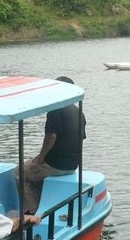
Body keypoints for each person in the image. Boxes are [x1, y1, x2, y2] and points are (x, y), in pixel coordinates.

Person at [15, 76, 86, 214]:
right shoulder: (79, 112)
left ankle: (31, 212)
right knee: (34, 169)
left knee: (20, 172)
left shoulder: (56, 108)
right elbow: (81, 140)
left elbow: (51, 136)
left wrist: (41, 158)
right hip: (72, 165)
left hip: (55, 165)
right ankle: (44, 204)